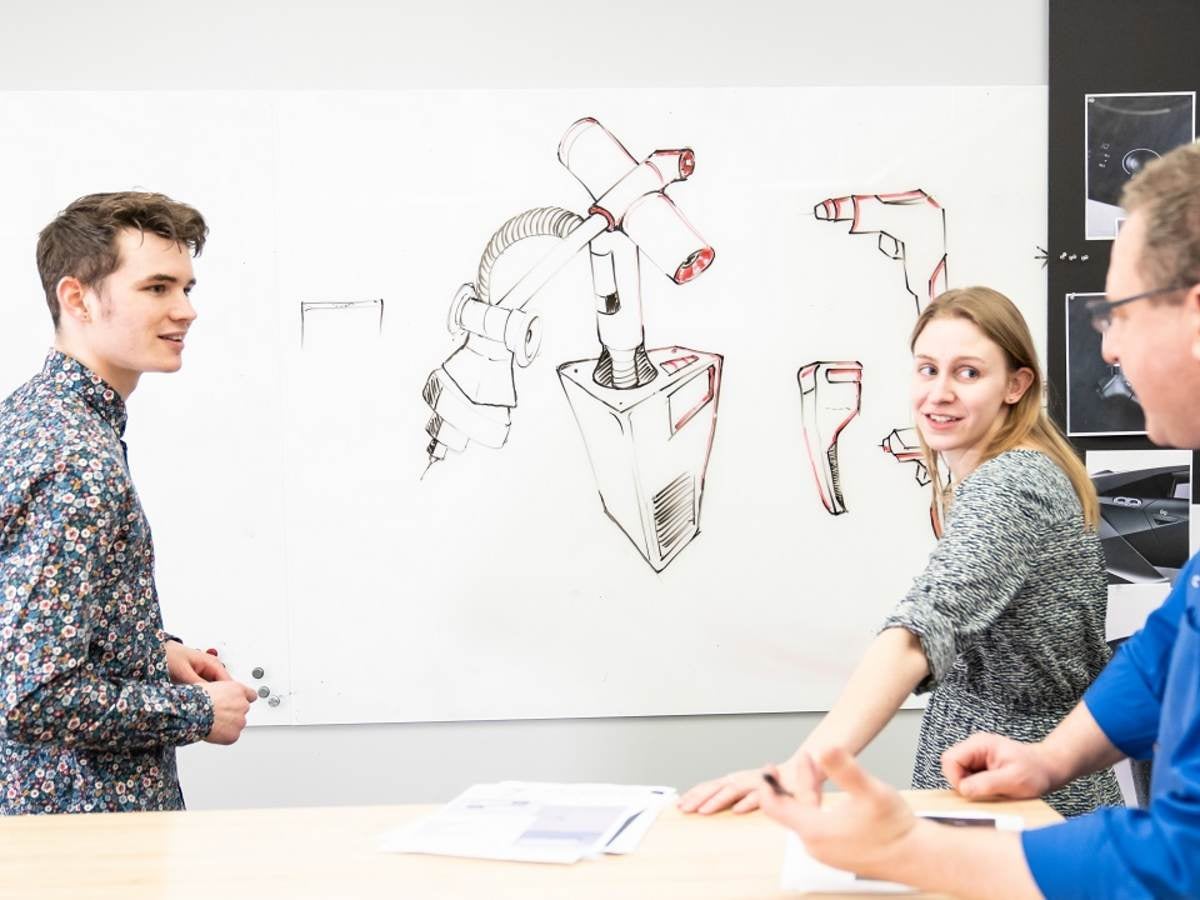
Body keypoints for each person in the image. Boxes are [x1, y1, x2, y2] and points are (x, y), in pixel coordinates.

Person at [757, 140, 1200, 898]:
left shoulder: (1014, 483)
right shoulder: (1000, 473)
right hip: (1021, 779)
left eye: (1116, 313)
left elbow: (1184, 859)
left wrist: (840, 801)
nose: (1110, 343)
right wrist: (1053, 757)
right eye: (927, 369)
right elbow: (1162, 653)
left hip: (1030, 828)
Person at [680, 285, 1121, 819]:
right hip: (1006, 780)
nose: (938, 393)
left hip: (1020, 798)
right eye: (927, 369)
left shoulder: (1010, 484)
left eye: (968, 373)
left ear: (1015, 385)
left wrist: (802, 769)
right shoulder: (1019, 470)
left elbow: (925, 626)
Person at [1, 192, 257, 815]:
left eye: (187, 287)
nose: (186, 310)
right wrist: (199, 712)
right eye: (158, 288)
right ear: (77, 298)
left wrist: (147, 649)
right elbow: (31, 693)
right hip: (81, 840)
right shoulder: (73, 457)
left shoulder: (36, 418)